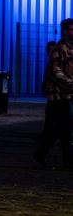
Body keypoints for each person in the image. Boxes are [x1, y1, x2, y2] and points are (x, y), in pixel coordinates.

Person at [35, 19, 73, 168]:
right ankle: (65, 159)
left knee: (60, 129)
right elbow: (56, 71)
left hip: (68, 95)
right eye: (71, 29)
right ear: (64, 31)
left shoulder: (70, 49)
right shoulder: (59, 49)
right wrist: (70, 83)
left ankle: (43, 155)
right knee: (62, 129)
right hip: (58, 96)